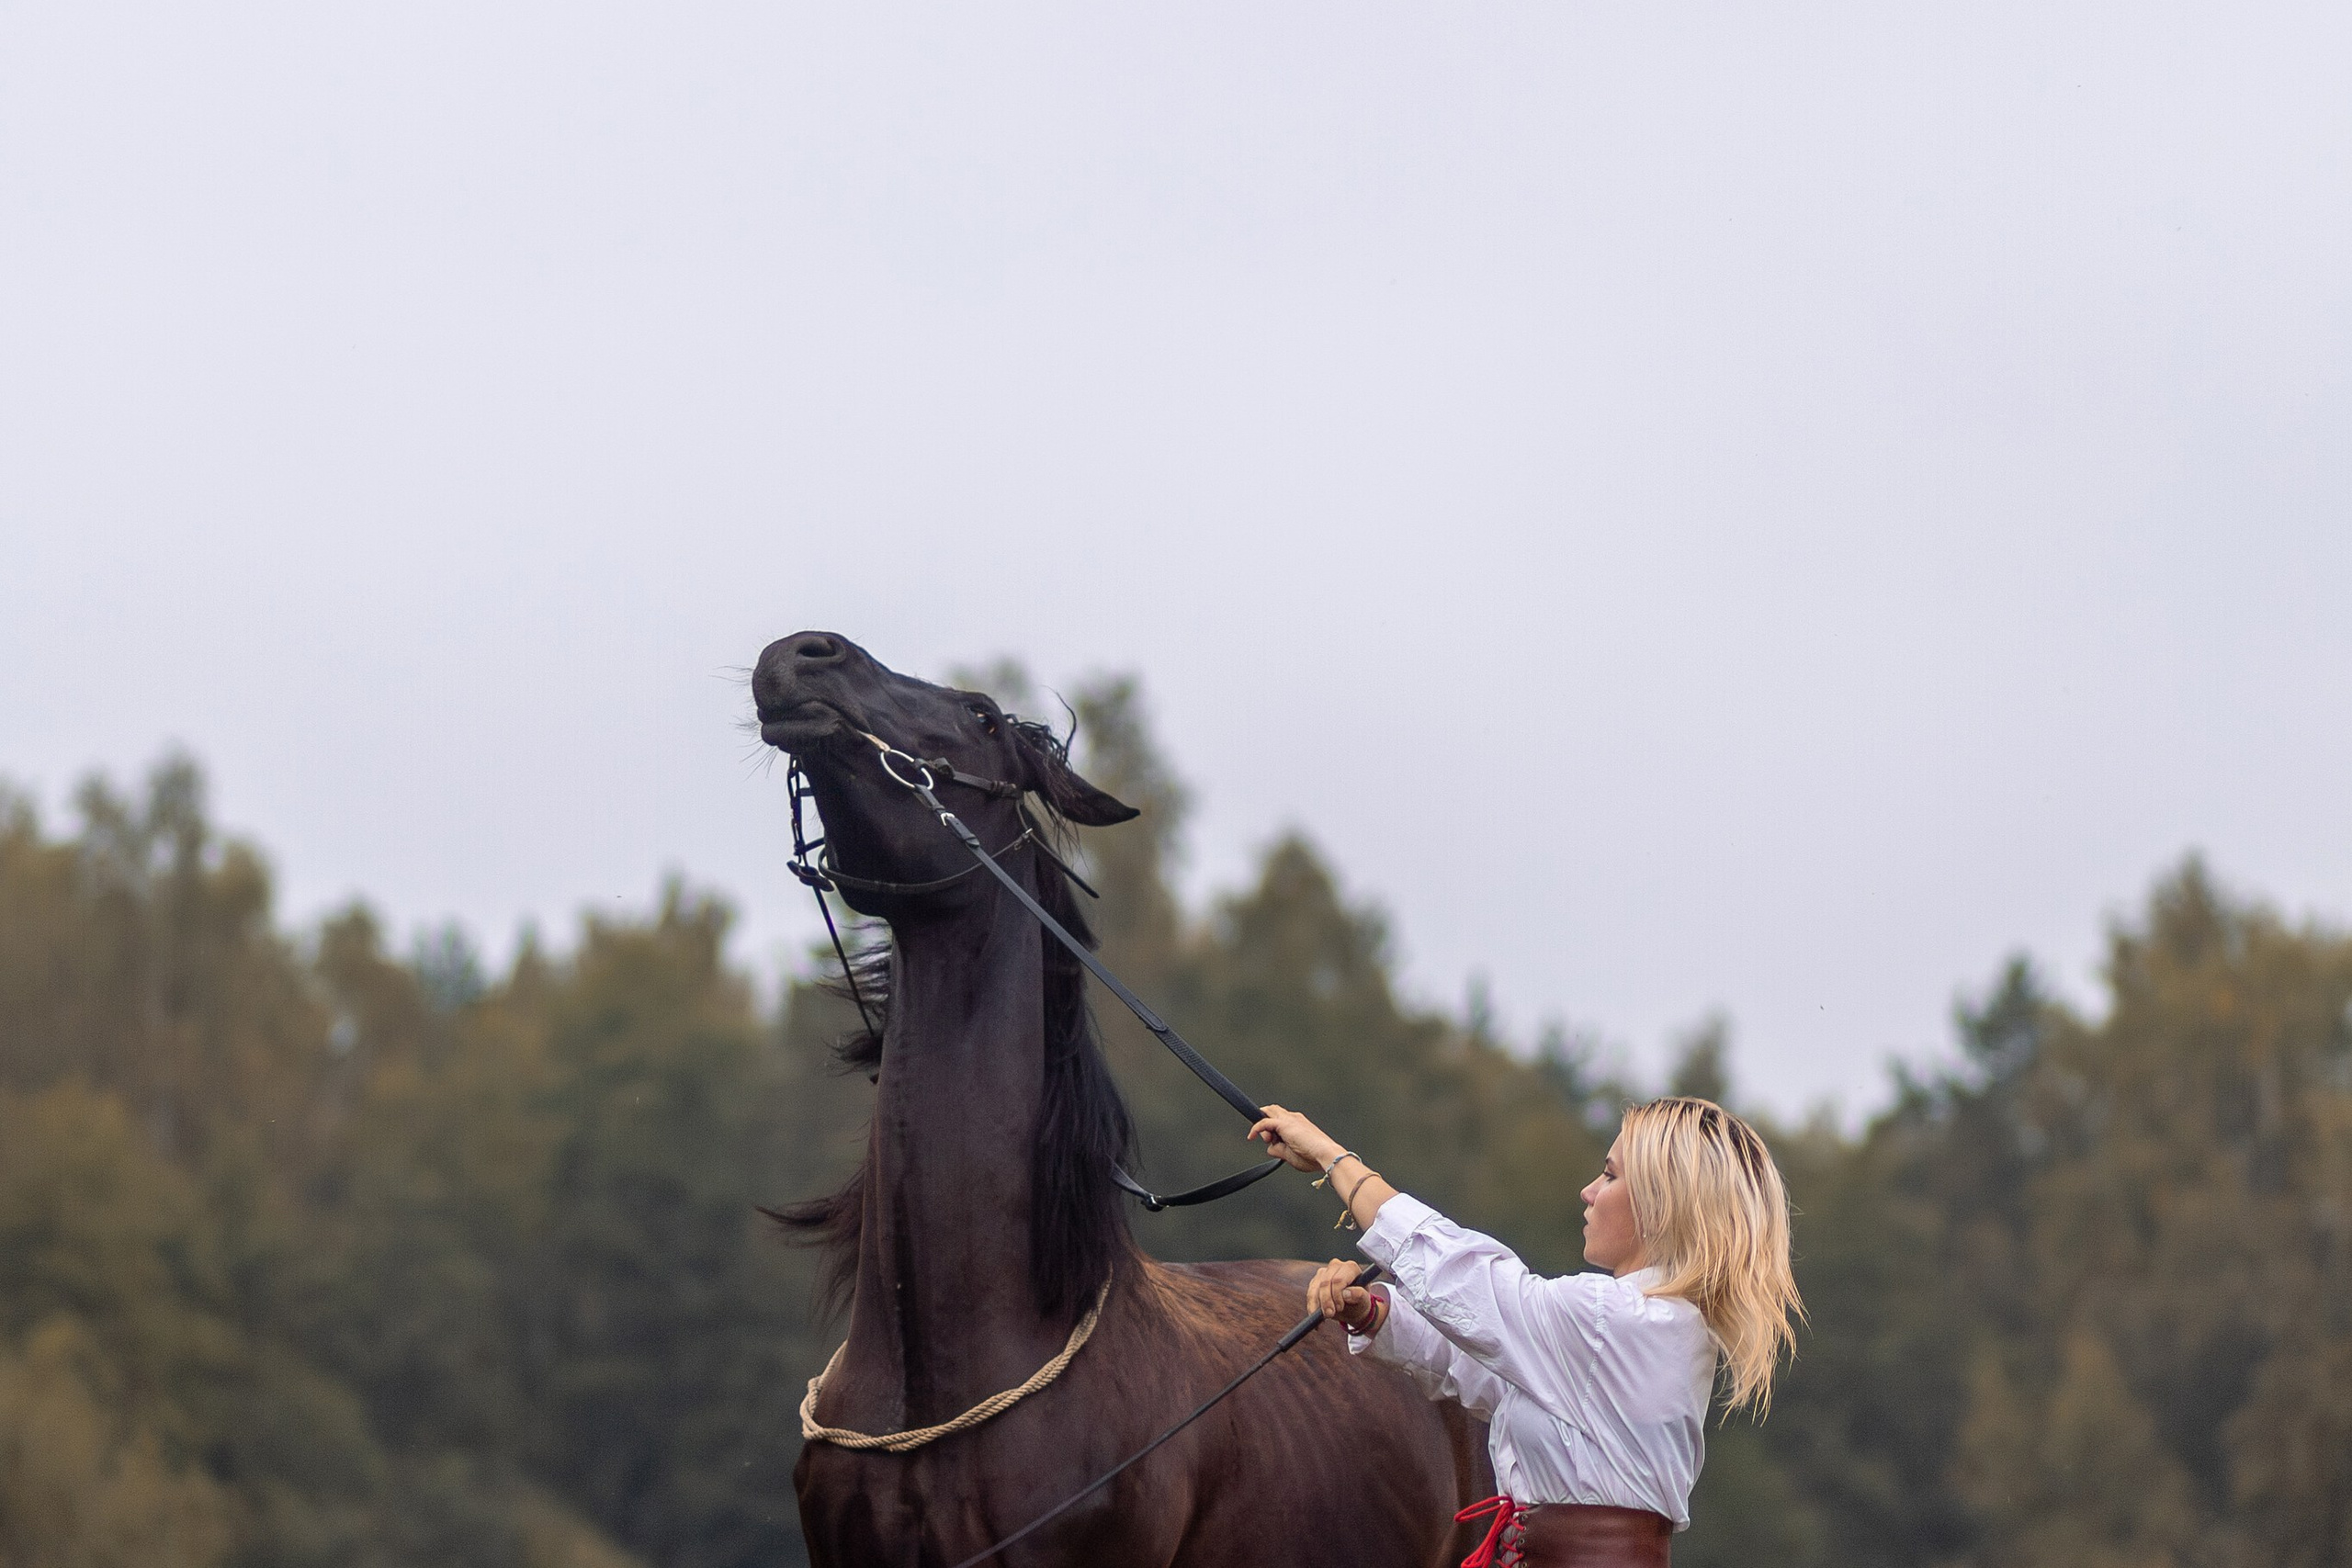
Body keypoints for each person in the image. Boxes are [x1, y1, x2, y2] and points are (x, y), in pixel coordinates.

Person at [1249, 1097, 1803, 1568]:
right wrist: (1370, 1313)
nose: (1588, 1191)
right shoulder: (1649, 1327)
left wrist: (1333, 1157)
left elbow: (1461, 1278)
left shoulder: (1616, 1320)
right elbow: (1484, 1368)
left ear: (1661, 1205)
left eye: (1610, 1175)